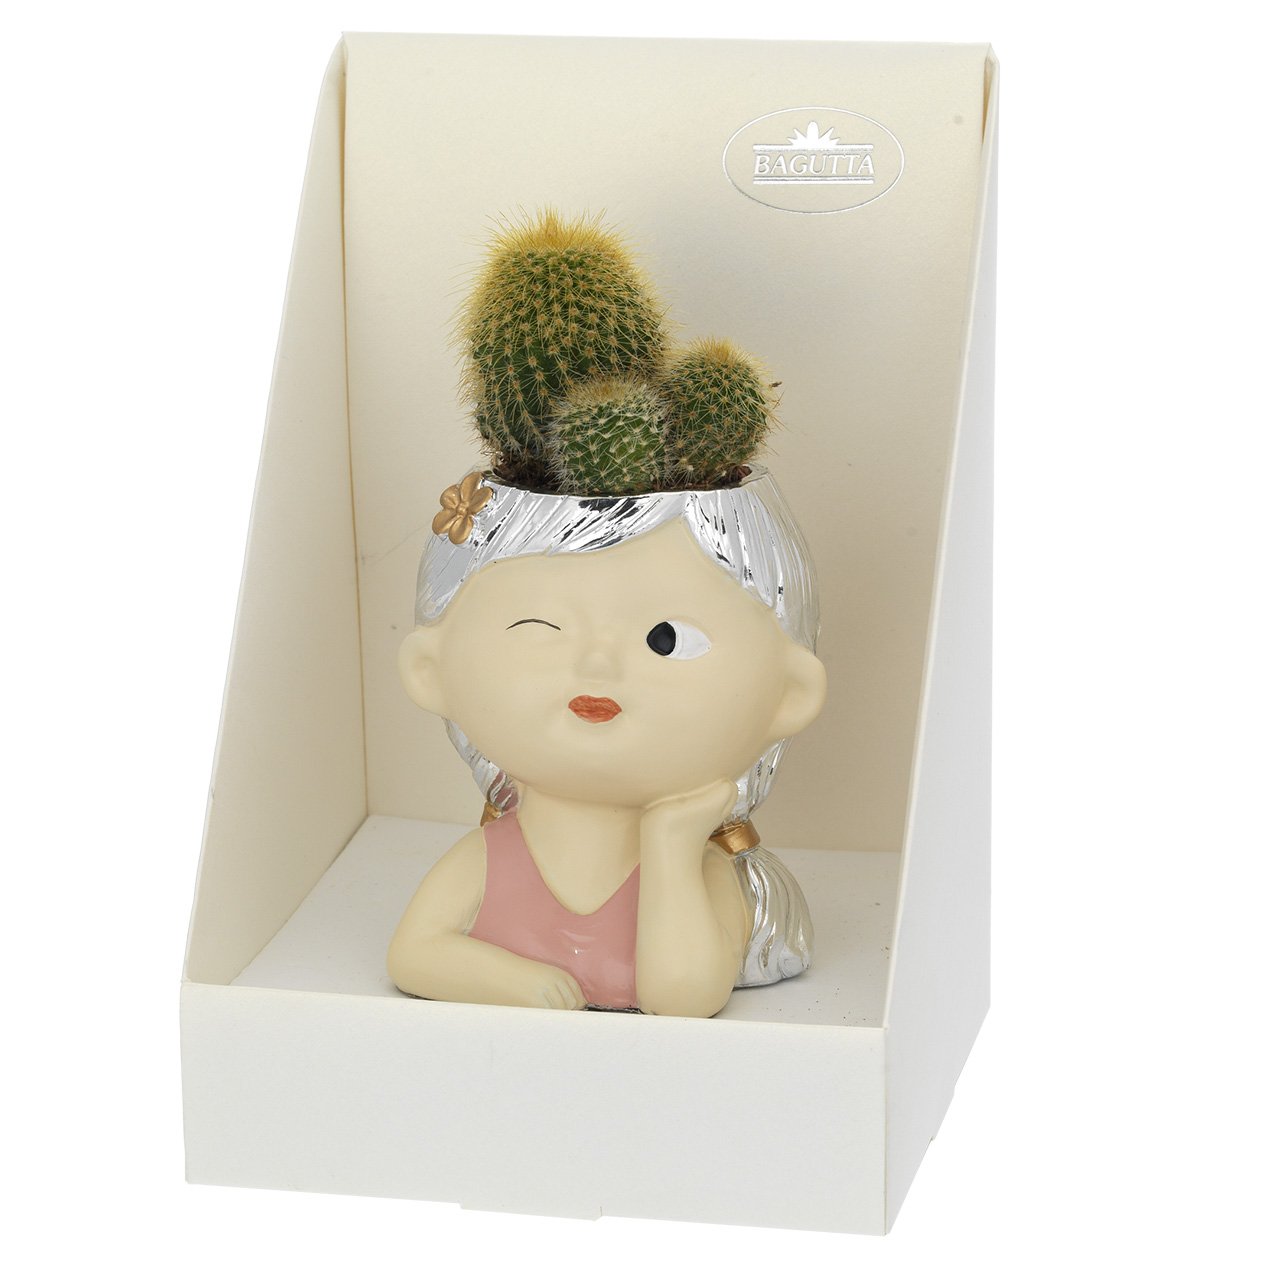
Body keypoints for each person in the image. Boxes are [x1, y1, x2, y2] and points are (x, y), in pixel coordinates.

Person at [387, 466, 826, 1016]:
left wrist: (670, 845)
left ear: (790, 693)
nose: (597, 665)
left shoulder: (702, 870)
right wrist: (516, 982)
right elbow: (414, 953)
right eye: (541, 629)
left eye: (665, 640)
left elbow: (683, 996)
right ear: (429, 672)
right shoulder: (489, 859)